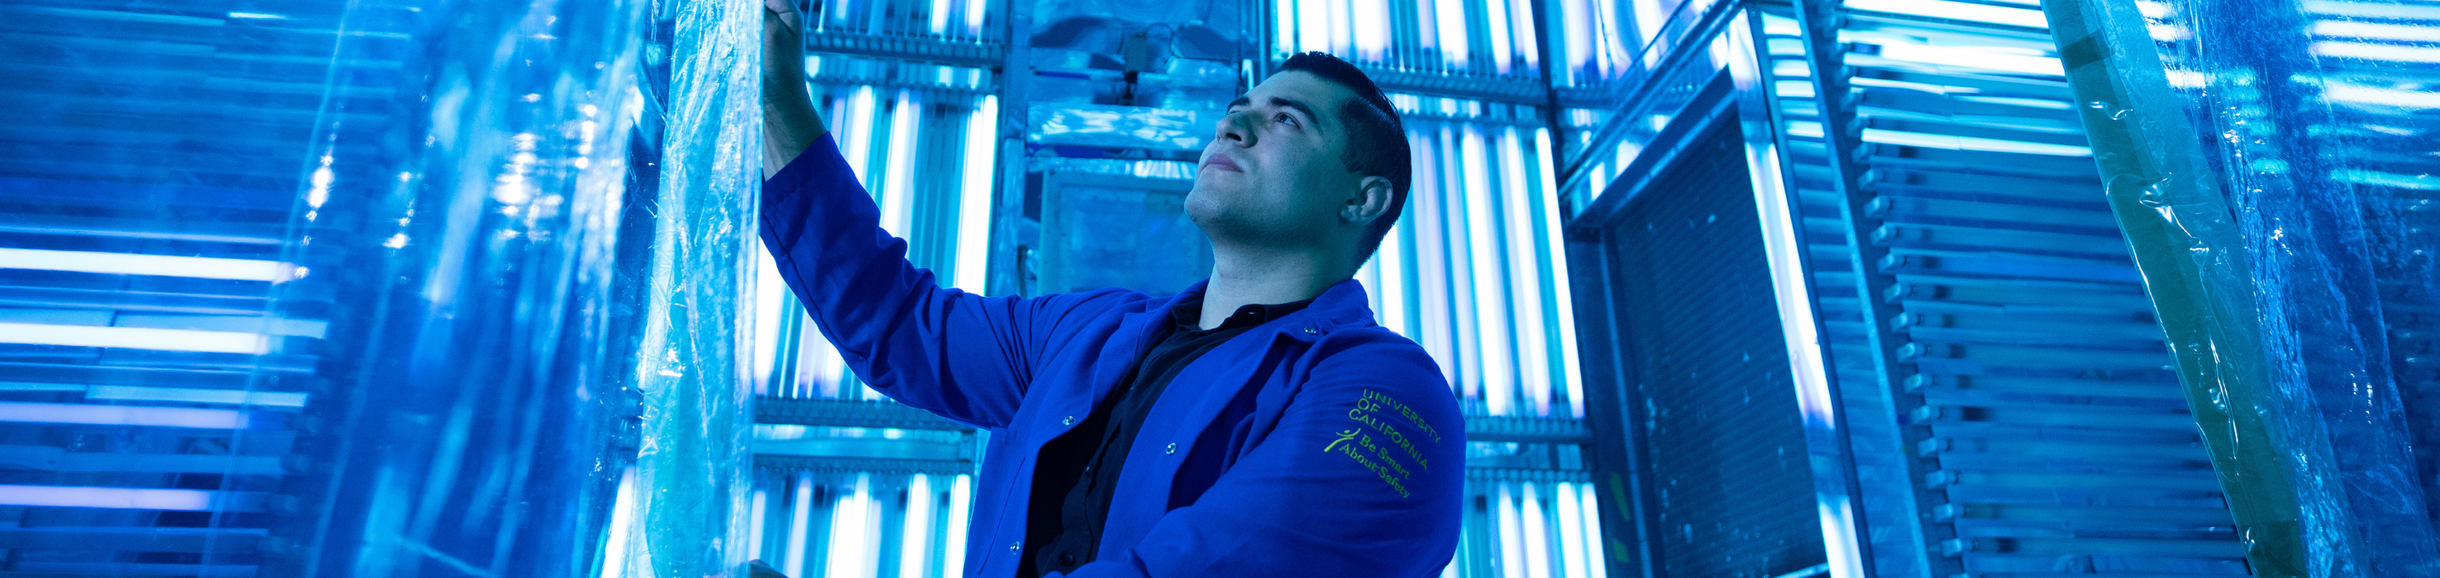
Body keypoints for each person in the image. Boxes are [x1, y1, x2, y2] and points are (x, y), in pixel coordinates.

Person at [758, 1, 1464, 576]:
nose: (1234, 121)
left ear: (1362, 200)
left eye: (1286, 120)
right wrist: (777, 96)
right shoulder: (1085, 334)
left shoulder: (1389, 394)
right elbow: (899, 323)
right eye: (1241, 105)